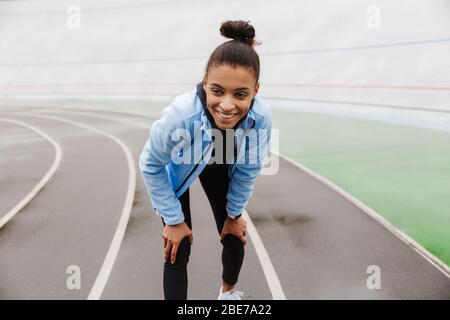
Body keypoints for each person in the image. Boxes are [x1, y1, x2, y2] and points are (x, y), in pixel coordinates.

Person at [139, 20, 272, 300]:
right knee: (178, 247)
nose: (226, 105)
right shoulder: (180, 115)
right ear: (205, 83)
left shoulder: (260, 118)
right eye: (217, 91)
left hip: (219, 159)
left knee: (235, 235)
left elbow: (248, 169)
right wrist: (173, 221)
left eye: (241, 95)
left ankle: (227, 293)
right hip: (177, 167)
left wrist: (233, 215)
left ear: (256, 91)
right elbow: (150, 164)